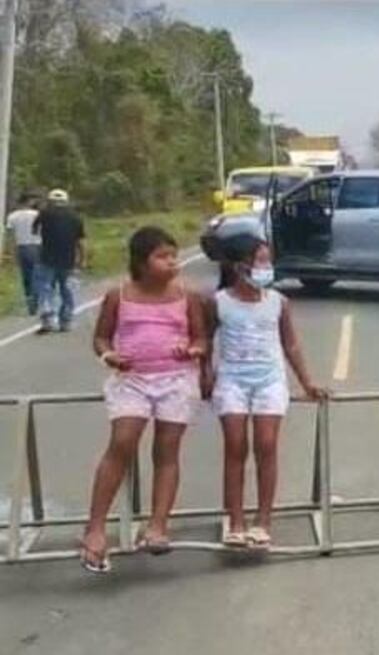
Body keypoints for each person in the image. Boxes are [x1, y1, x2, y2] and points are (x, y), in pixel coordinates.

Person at [79, 227, 206, 573]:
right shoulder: (118, 296)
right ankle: (94, 528)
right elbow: (102, 339)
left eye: (173, 256)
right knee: (122, 442)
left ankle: (158, 525)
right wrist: (111, 358)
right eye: (163, 257)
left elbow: (200, 339)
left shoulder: (186, 296)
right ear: (142, 262)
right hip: (131, 380)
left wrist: (191, 349)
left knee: (167, 450)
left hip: (176, 380)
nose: (172, 263)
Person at [205, 235, 327, 550]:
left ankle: (262, 521)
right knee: (235, 446)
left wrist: (307, 381)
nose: (266, 267)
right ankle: (235, 520)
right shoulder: (218, 302)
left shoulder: (277, 302)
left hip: (269, 380)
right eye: (260, 260)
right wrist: (204, 376)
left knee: (266, 445)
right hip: (232, 380)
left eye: (267, 260)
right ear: (239, 266)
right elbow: (204, 343)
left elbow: (291, 345)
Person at [32, 188, 86, 333]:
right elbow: (80, 242)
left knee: (45, 289)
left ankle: (47, 319)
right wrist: (81, 260)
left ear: (50, 201)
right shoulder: (76, 217)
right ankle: (65, 321)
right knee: (67, 291)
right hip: (68, 260)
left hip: (46, 258)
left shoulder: (43, 214)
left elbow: (35, 234)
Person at [4, 193, 42, 315]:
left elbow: (10, 235)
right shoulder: (37, 215)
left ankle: (29, 298)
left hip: (21, 247)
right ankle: (35, 300)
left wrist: (10, 251)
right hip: (36, 246)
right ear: (29, 201)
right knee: (36, 274)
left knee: (26, 276)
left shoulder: (12, 216)